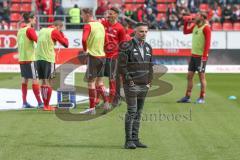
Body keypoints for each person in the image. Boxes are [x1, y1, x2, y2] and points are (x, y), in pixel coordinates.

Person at [119, 22, 153, 149]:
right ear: (135, 32)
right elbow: (121, 66)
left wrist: (150, 81)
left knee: (139, 112)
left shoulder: (148, 47)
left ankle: (135, 139)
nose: (143, 34)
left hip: (144, 85)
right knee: (132, 111)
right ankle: (128, 141)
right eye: (141, 31)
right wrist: (129, 80)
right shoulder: (126, 46)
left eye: (145, 31)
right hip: (131, 85)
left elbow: (150, 66)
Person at [80, 8, 109, 115]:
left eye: (82, 14)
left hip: (93, 56)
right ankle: (106, 102)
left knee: (91, 83)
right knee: (100, 83)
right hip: (102, 56)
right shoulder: (100, 25)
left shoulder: (88, 26)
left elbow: (83, 39)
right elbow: (106, 41)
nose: (81, 17)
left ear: (88, 15)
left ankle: (92, 108)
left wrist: (85, 50)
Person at [177, 12, 211, 104]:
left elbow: (207, 43)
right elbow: (185, 32)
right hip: (193, 56)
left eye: (198, 15)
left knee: (201, 77)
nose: (195, 17)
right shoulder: (195, 26)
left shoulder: (206, 28)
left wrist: (204, 56)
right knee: (189, 76)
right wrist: (185, 23)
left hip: (201, 57)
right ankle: (187, 97)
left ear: (203, 18)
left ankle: (202, 97)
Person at [35, 20, 69, 111]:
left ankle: (45, 105)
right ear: (58, 27)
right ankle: (46, 106)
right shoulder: (54, 31)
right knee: (49, 82)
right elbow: (66, 44)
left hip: (38, 59)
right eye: (60, 28)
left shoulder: (42, 30)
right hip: (48, 59)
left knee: (43, 82)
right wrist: (63, 35)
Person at [100, 7, 126, 107]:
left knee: (112, 79)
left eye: (111, 13)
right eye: (108, 13)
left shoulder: (120, 28)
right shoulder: (102, 24)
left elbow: (123, 44)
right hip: (101, 55)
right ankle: (102, 100)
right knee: (99, 79)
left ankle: (114, 99)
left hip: (113, 57)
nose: (109, 15)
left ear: (116, 15)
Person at [17, 13, 43, 108]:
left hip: (22, 59)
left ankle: (24, 102)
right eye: (34, 19)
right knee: (35, 80)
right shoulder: (30, 30)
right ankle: (40, 103)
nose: (35, 20)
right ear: (30, 19)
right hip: (30, 58)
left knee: (24, 79)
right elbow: (38, 41)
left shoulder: (20, 31)